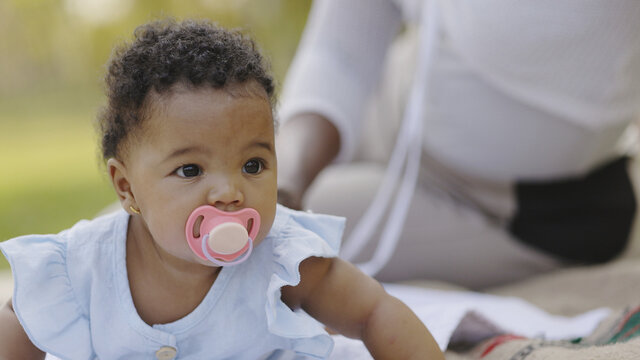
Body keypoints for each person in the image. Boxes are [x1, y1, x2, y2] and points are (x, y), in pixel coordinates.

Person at [0, 19, 444, 359]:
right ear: (126, 187)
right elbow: (19, 326)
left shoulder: (283, 258)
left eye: (253, 164)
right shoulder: (82, 267)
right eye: (191, 170)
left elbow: (373, 312)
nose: (230, 192)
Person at [276, 0, 640, 288]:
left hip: (503, 209)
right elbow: (342, 52)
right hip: (385, 111)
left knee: (281, 242)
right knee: (240, 194)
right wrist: (282, 180)